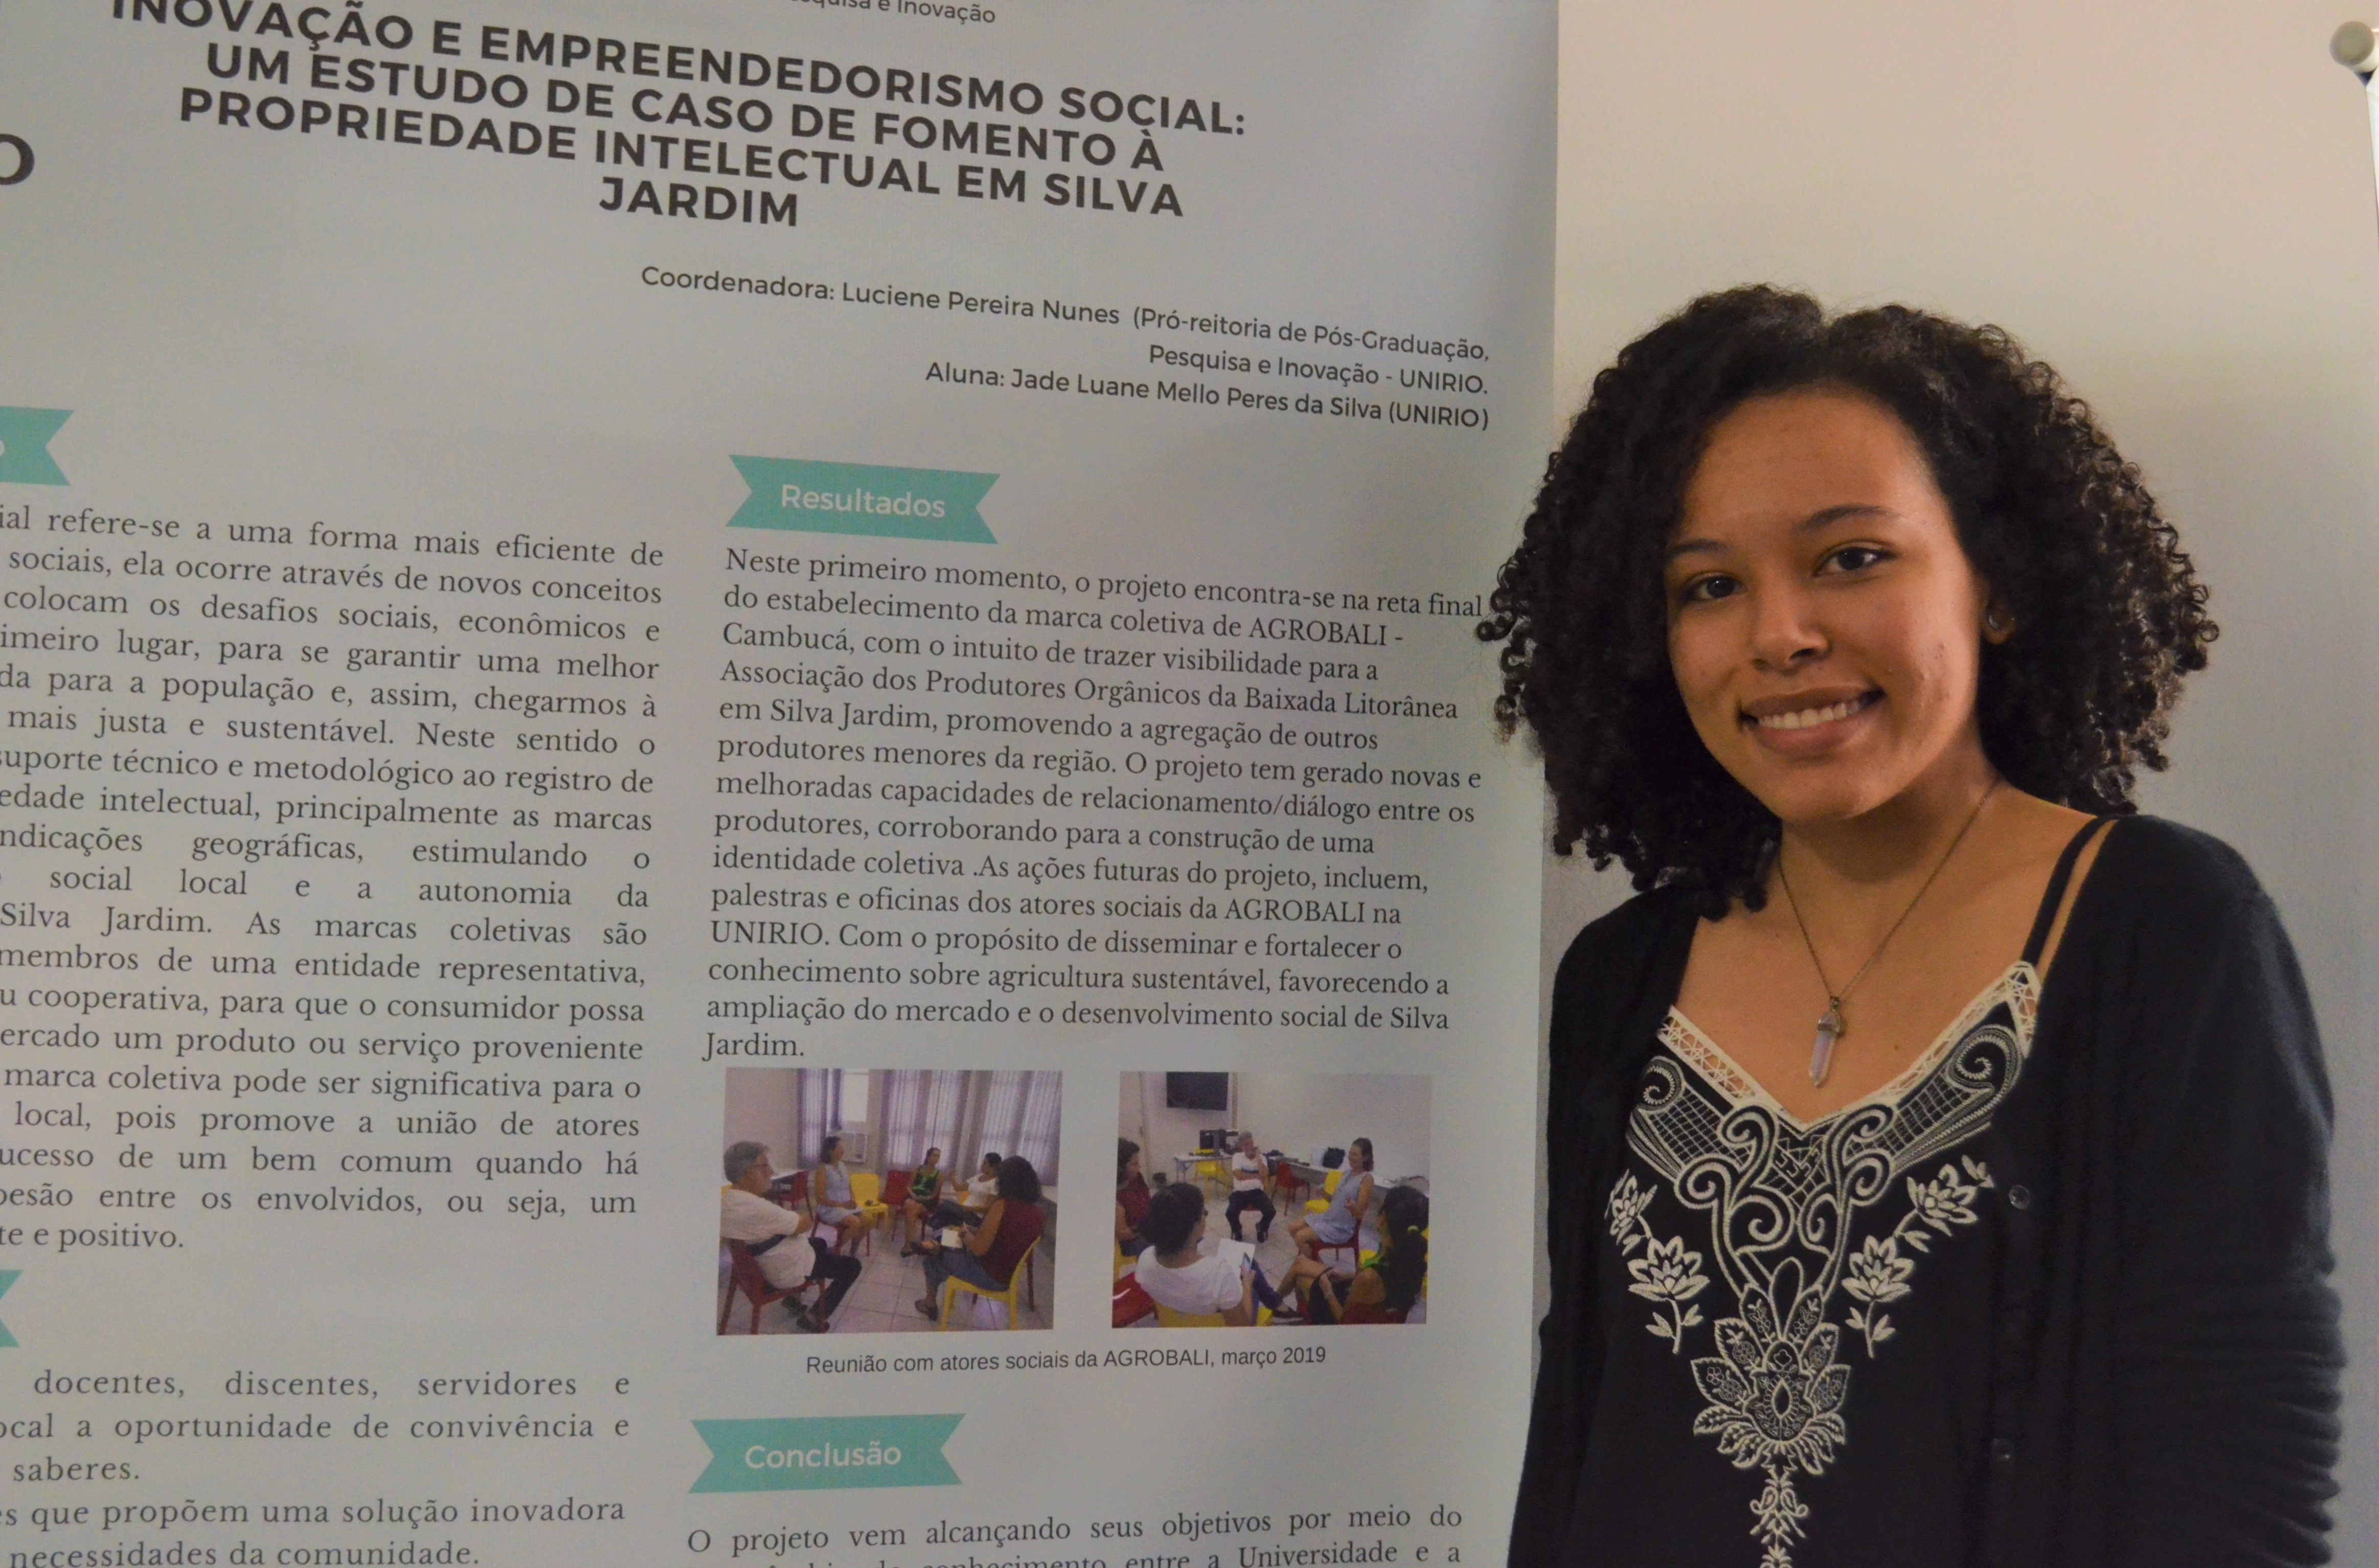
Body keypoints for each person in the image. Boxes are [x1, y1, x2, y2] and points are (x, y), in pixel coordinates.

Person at [1485, 288, 2342, 1567]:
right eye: (1709, 585)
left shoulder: (2161, 930)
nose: (1779, 635)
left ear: (1995, 584)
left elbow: (2239, 1477)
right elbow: (1573, 1437)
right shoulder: (1618, 978)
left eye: (1850, 559)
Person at [718, 1141, 861, 1332]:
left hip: (762, 1260)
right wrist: (790, 1218)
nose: (771, 1171)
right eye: (765, 1166)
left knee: (819, 1242)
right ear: (750, 1172)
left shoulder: (728, 1200)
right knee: (852, 1266)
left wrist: (785, 1220)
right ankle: (814, 1318)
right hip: (781, 1269)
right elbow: (805, 1223)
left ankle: (793, 1300)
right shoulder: (759, 1209)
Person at [1130, 1178, 1299, 1326]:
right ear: (1194, 1225)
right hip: (1216, 1331)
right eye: (1203, 1212)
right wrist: (1247, 1284)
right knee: (1249, 1271)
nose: (1206, 1216)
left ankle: (1276, 1304)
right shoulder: (1218, 1273)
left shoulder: (1146, 1258)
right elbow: (1242, 1326)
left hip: (1174, 1323)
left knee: (1246, 1263)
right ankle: (1276, 1305)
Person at [917, 1154, 1046, 1324]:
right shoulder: (1039, 1214)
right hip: (1006, 1274)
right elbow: (1006, 1236)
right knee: (942, 1247)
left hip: (988, 1275)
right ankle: (936, 1248)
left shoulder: (1002, 1206)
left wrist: (965, 1233)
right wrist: (977, 1231)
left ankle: (930, 1303)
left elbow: (978, 1249)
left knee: (932, 1257)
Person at [1302, 1184, 1427, 1326]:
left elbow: (1344, 1322)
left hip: (1345, 1323)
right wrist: (1350, 1276)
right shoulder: (1410, 1259)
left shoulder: (1370, 1277)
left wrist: (1328, 1291)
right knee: (1302, 1266)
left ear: (1382, 1218)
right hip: (1379, 1318)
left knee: (1303, 1279)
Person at [1287, 1137, 1373, 1264]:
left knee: (1300, 1237)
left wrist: (1353, 1208)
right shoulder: (1347, 1173)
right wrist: (1324, 1194)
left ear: (1365, 1158)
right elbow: (1335, 1200)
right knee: (1292, 1228)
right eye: (1350, 1153)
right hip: (1327, 1218)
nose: (1351, 1157)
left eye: (1355, 1154)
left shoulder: (1366, 1179)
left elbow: (1360, 1214)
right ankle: (1315, 1260)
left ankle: (1322, 1270)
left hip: (1340, 1228)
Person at [807, 1133, 879, 1253]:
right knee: (856, 1223)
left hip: (846, 1206)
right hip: (830, 1208)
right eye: (840, 1148)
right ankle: (834, 1250)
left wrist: (853, 1200)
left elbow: (848, 1186)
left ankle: (854, 1246)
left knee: (869, 1220)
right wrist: (843, 1205)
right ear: (831, 1151)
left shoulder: (842, 1165)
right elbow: (820, 1198)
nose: (843, 1150)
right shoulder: (823, 1169)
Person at [1222, 1132, 1275, 1243]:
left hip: (1257, 1192)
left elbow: (1264, 1174)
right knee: (1230, 1213)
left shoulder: (1262, 1158)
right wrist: (1256, 1176)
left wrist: (1258, 1158)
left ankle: (1261, 1227)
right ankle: (1237, 1230)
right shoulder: (1237, 1157)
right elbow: (1238, 1175)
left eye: (1251, 1143)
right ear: (1242, 1147)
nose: (1250, 1147)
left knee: (1271, 1211)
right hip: (1240, 1192)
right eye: (1246, 1145)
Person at [899, 1145, 945, 1255]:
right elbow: (909, 1187)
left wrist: (923, 1198)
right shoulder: (918, 1169)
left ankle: (907, 1245)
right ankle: (909, 1245)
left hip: (928, 1200)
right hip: (913, 1196)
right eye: (934, 1156)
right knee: (911, 1206)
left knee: (911, 1211)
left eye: (938, 1157)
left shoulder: (939, 1175)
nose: (936, 1159)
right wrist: (913, 1195)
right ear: (928, 1157)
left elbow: (935, 1195)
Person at [1115, 1138, 1153, 1258]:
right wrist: (1149, 1227)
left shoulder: (1137, 1180)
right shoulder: (1116, 1197)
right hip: (1131, 1242)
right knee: (1169, 1242)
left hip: (1147, 1228)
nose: (1139, 1167)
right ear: (1120, 1168)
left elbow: (1148, 1201)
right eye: (1135, 1164)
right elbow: (1122, 1235)